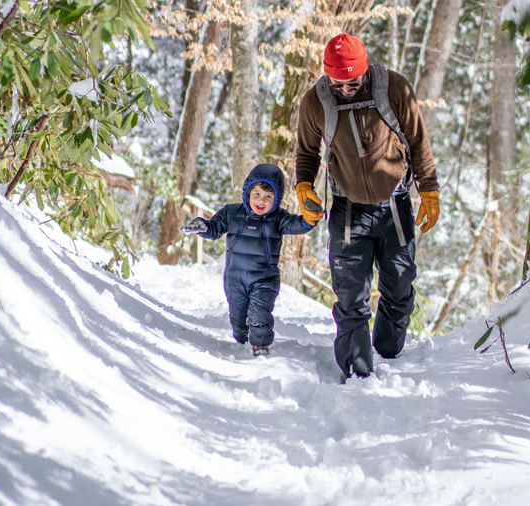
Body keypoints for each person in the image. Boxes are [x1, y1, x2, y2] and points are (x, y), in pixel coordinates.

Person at [295, 33, 440, 379]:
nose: (345, 89)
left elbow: (418, 141)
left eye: (353, 82)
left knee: (400, 285)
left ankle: (387, 352)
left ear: (364, 71)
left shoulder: (394, 89)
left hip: (395, 205)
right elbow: (305, 152)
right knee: (350, 295)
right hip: (347, 210)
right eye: (338, 83)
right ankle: (358, 372)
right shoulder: (316, 102)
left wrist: (430, 190)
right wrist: (303, 186)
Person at [179, 163, 322, 356]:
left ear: (277, 198)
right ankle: (240, 341)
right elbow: (215, 228)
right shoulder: (232, 213)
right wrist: (203, 226)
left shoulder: (278, 218)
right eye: (257, 194)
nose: (261, 201)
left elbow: (299, 225)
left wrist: (310, 218)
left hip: (264, 280)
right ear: (247, 192)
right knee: (238, 317)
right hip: (235, 280)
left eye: (268, 197)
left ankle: (260, 347)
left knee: (259, 313)